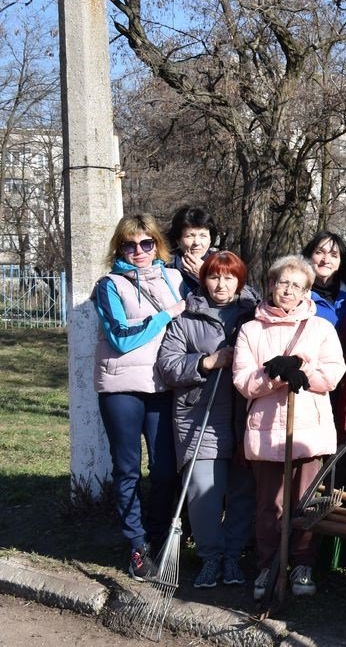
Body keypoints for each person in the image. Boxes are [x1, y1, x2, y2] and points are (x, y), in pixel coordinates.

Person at [233, 255, 346, 600]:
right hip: (267, 431)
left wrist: (303, 373)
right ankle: (269, 565)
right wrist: (273, 375)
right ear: (271, 284)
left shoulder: (320, 329)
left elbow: (332, 374)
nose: (288, 290)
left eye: (296, 285)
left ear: (306, 292)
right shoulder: (252, 329)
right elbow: (242, 381)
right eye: (282, 282)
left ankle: (302, 563)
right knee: (270, 505)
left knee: (305, 503)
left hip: (307, 431)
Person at [91, 214, 187, 580]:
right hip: (121, 389)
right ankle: (135, 544)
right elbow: (121, 337)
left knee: (165, 470)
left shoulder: (174, 278)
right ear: (120, 248)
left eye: (146, 243)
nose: (138, 251)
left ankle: (158, 537)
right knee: (127, 470)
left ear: (157, 245)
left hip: (163, 385)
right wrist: (166, 315)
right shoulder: (109, 284)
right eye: (130, 245)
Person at [156, 250, 258, 589]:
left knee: (242, 493)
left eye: (229, 277)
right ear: (204, 279)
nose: (221, 284)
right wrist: (206, 362)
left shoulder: (254, 315)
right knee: (203, 494)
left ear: (240, 281)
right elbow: (167, 366)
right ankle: (211, 558)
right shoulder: (187, 317)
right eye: (214, 276)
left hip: (245, 417)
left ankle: (233, 558)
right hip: (201, 417)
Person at [300, 231, 346, 471]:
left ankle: (340, 499)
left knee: (341, 445)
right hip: (310, 380)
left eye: (333, 254)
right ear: (308, 256)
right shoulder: (298, 292)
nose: (326, 259)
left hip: (344, 380)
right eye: (320, 252)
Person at [166, 206, 219, 296]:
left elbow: (239, 297)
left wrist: (204, 275)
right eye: (190, 236)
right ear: (177, 239)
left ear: (210, 239)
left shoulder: (224, 263)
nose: (197, 242)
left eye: (203, 236)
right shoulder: (166, 266)